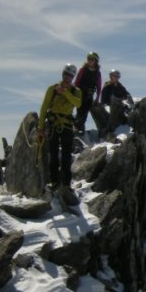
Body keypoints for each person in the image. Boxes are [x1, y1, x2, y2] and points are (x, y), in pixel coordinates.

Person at [36, 63, 81, 203]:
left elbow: (78, 103)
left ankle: (66, 183)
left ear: (72, 77)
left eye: (70, 76)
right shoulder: (52, 89)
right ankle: (54, 181)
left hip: (66, 125)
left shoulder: (76, 91)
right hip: (54, 123)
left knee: (67, 156)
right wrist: (40, 127)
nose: (67, 77)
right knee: (54, 153)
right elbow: (44, 107)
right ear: (63, 74)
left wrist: (65, 92)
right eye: (65, 74)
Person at [73, 51, 102, 133]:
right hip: (80, 93)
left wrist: (97, 98)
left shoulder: (97, 73)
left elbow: (99, 87)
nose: (90, 60)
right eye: (89, 58)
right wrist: (74, 92)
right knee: (80, 110)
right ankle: (77, 126)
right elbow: (76, 82)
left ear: (95, 61)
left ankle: (79, 127)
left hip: (89, 94)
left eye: (92, 59)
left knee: (85, 111)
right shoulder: (82, 70)